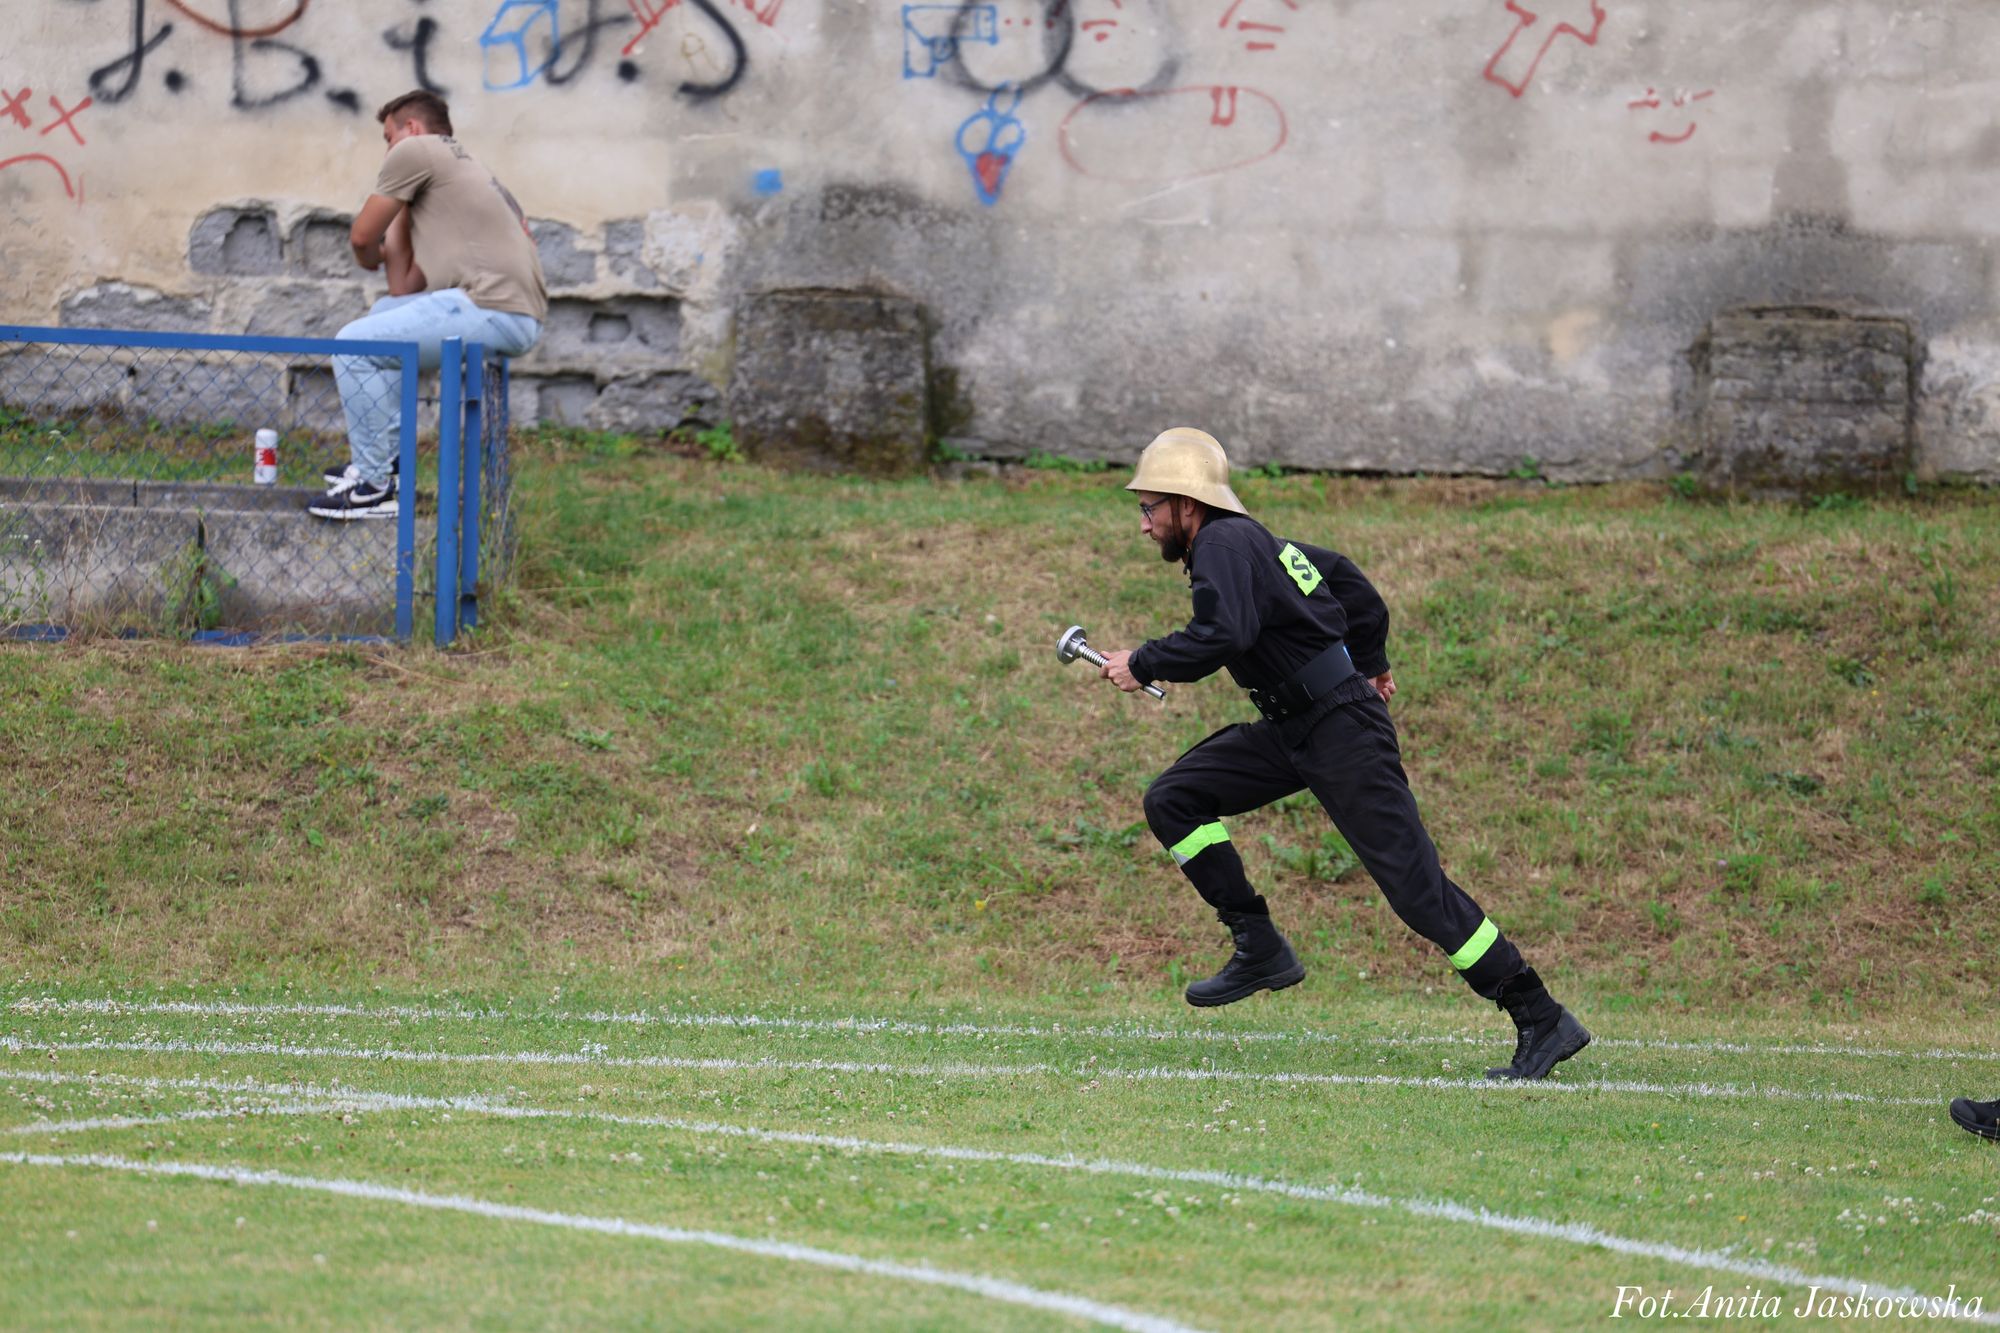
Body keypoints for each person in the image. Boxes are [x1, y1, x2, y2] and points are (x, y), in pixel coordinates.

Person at [1093, 427, 1590, 1081]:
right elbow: (1349, 582)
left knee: (1417, 891)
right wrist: (1373, 662)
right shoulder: (1256, 543)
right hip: (1294, 727)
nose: (1144, 523)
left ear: (1186, 503)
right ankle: (1260, 944)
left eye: (1148, 507)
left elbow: (1223, 633)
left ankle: (1539, 1013)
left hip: (1339, 728)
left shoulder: (1221, 542)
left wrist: (1143, 661)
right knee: (1175, 798)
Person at [310, 90, 548, 520]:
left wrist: (368, 253)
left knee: (353, 347)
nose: (388, 150)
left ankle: (373, 486)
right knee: (383, 316)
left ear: (412, 128)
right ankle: (389, 468)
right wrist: (401, 208)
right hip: (507, 312)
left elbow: (362, 239)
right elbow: (403, 289)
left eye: (388, 138)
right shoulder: (456, 172)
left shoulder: (418, 150)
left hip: (490, 305)